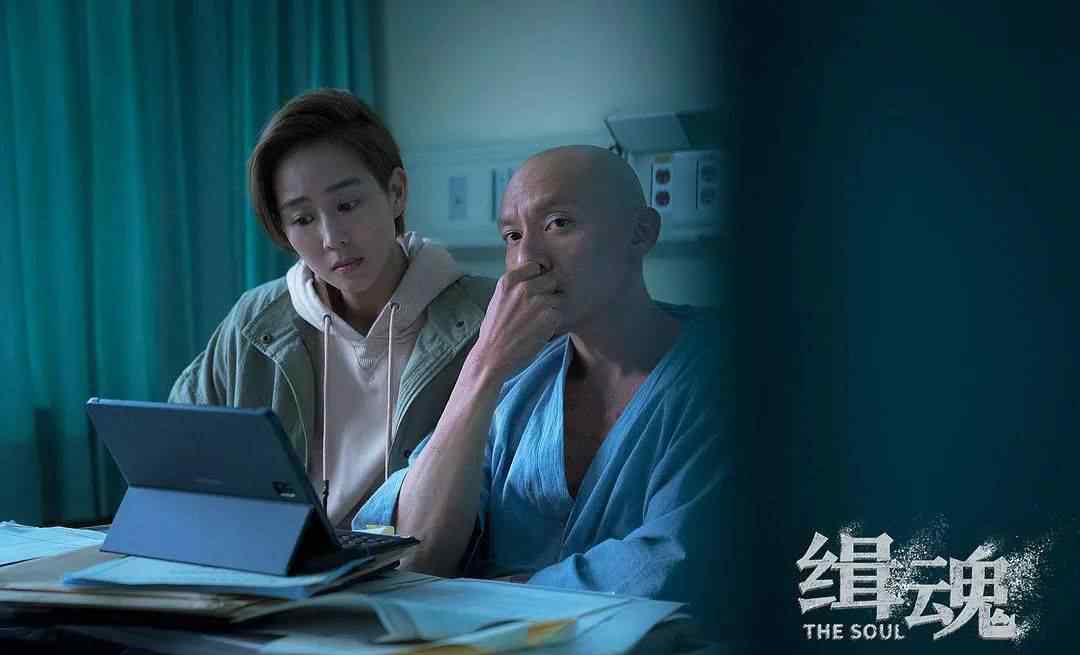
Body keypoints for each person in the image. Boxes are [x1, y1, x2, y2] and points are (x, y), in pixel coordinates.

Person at [356, 145, 730, 631]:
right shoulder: (516, 387)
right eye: (512, 235)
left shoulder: (726, 378)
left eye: (559, 224)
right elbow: (411, 553)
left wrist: (506, 597)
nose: (527, 259)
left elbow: (677, 566)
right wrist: (482, 367)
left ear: (641, 233)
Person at [169, 89, 495, 528]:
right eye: (303, 219)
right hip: (281, 558)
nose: (331, 237)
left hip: (420, 563)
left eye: (346, 205)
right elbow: (178, 450)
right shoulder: (255, 321)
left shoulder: (486, 317)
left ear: (396, 192)